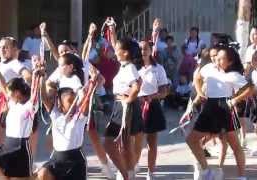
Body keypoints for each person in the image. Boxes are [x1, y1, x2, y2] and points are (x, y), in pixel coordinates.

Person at [187, 46, 252, 180]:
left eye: (221, 58)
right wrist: (200, 93)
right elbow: (197, 78)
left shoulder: (234, 75)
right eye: (216, 57)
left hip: (225, 108)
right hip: (209, 106)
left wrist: (235, 100)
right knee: (191, 139)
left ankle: (242, 176)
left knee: (235, 145)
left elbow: (251, 89)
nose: (217, 60)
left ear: (229, 62)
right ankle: (206, 171)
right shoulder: (208, 68)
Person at [37, 62, 99, 180]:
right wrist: (41, 77)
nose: (74, 104)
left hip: (75, 161)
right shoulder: (55, 114)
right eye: (70, 101)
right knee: (42, 174)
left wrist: (92, 82)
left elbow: (86, 98)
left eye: (75, 101)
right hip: (56, 158)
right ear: (60, 103)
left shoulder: (79, 117)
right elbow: (44, 97)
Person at [0, 57, 41, 179]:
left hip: (21, 148)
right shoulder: (12, 102)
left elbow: (35, 91)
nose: (6, 94)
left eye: (9, 92)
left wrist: (36, 73)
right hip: (7, 145)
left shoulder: (30, 106)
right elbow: (2, 83)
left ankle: (37, 176)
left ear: (17, 93)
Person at [104, 38, 142, 180]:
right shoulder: (125, 65)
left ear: (125, 53)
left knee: (118, 143)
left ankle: (128, 175)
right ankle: (127, 174)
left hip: (125, 106)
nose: (115, 50)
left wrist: (128, 100)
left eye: (118, 49)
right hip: (120, 105)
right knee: (121, 144)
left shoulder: (130, 67)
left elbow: (136, 86)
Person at [134, 41, 169, 180]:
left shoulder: (158, 68)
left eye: (145, 48)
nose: (143, 51)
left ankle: (151, 172)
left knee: (152, 142)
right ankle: (133, 167)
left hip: (152, 105)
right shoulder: (133, 68)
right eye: (140, 49)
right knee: (136, 141)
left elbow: (164, 90)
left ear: (150, 50)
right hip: (136, 105)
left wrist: (152, 97)